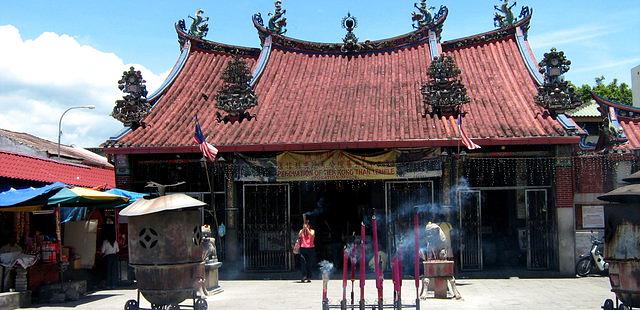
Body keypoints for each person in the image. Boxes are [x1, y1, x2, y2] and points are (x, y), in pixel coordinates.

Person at [298, 216, 316, 283]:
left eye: (307, 225)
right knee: (303, 263)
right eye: (305, 225)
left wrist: (307, 229)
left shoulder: (312, 231)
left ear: (309, 226)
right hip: (303, 248)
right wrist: (303, 229)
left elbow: (312, 235)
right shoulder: (301, 231)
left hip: (310, 249)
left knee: (309, 263)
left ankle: (309, 277)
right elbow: (299, 235)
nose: (305, 226)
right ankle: (303, 276)